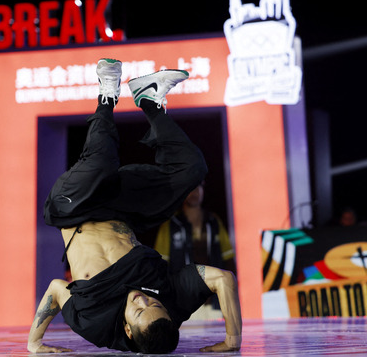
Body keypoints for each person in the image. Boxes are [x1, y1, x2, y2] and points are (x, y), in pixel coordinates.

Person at [27, 59, 242, 354]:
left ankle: (107, 95)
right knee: (192, 169)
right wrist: (233, 340)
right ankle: (149, 99)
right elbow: (224, 279)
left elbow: (55, 289)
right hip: (122, 208)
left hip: (73, 207)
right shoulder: (172, 300)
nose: (143, 299)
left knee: (103, 161)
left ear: (127, 330)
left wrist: (34, 342)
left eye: (140, 310)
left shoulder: (95, 324)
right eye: (154, 304)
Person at [154, 182, 236, 275]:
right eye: (191, 187)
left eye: (199, 186)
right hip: (182, 287)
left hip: (212, 286)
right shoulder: (170, 225)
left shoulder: (213, 221)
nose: (195, 191)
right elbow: (160, 264)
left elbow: (228, 257)